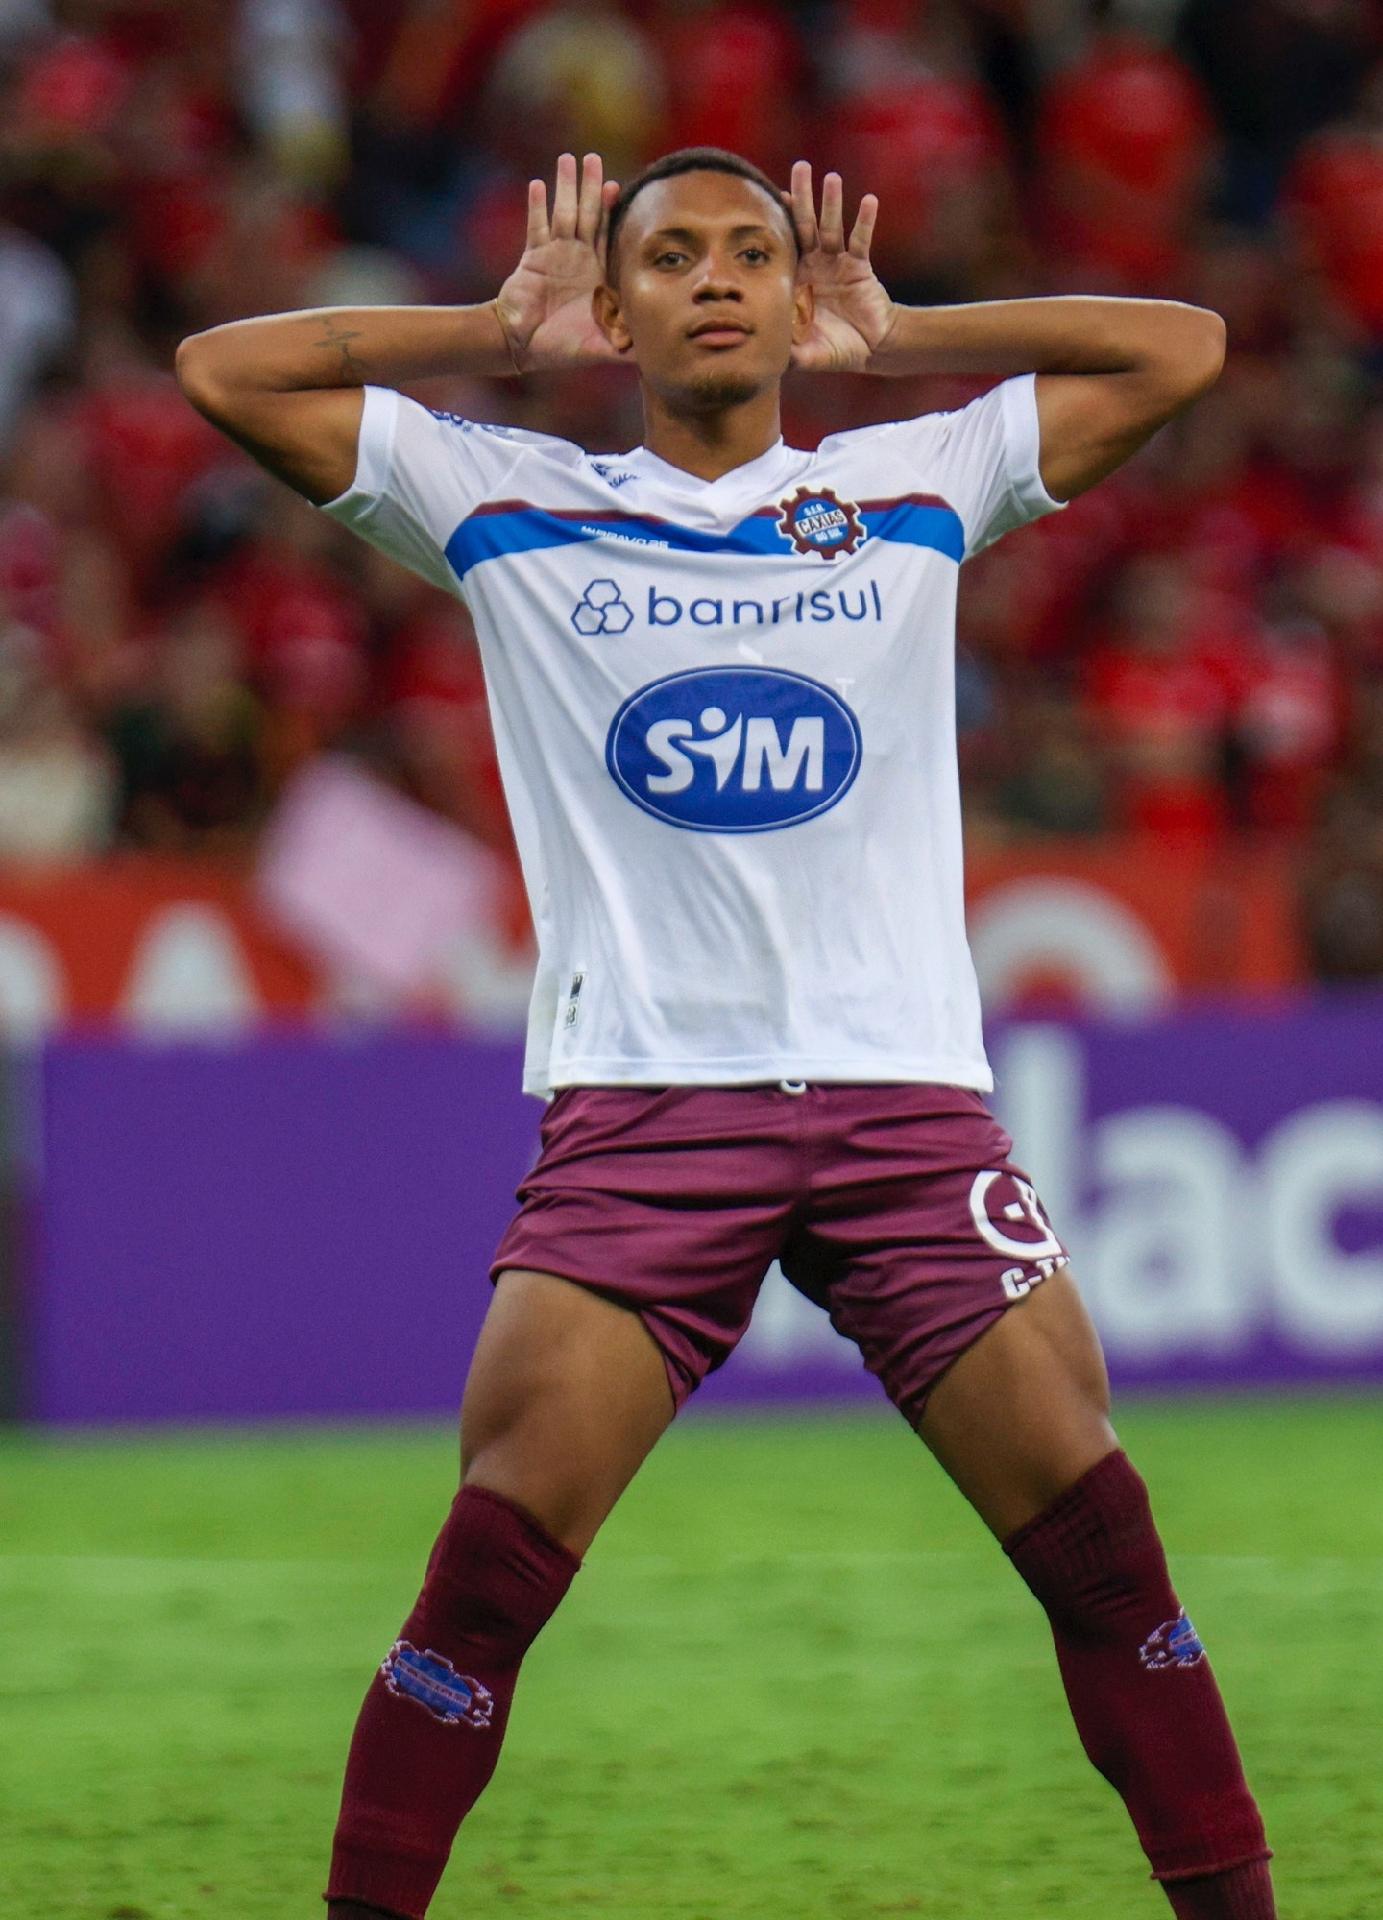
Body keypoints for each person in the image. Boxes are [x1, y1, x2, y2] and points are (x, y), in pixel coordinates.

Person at [176, 147, 1274, 1920]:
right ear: (612, 310)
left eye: (750, 253)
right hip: (646, 1116)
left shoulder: (912, 480)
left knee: (1105, 1555)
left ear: (789, 297)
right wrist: (479, 331)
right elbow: (223, 373)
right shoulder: (503, 499)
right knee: (486, 1583)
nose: (715, 280)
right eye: (669, 256)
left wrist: (911, 335)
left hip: (904, 1109)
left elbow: (1185, 344)